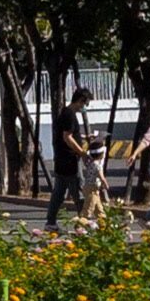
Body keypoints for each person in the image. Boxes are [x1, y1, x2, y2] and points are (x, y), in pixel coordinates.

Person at [51, 89, 94, 229]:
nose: (84, 107)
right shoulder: (70, 115)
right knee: (79, 190)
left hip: (61, 159)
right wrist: (81, 152)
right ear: (80, 100)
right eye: (85, 103)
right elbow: (67, 137)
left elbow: (69, 134)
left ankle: (50, 222)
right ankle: (82, 222)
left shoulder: (65, 112)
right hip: (70, 159)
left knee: (58, 193)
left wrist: (83, 138)